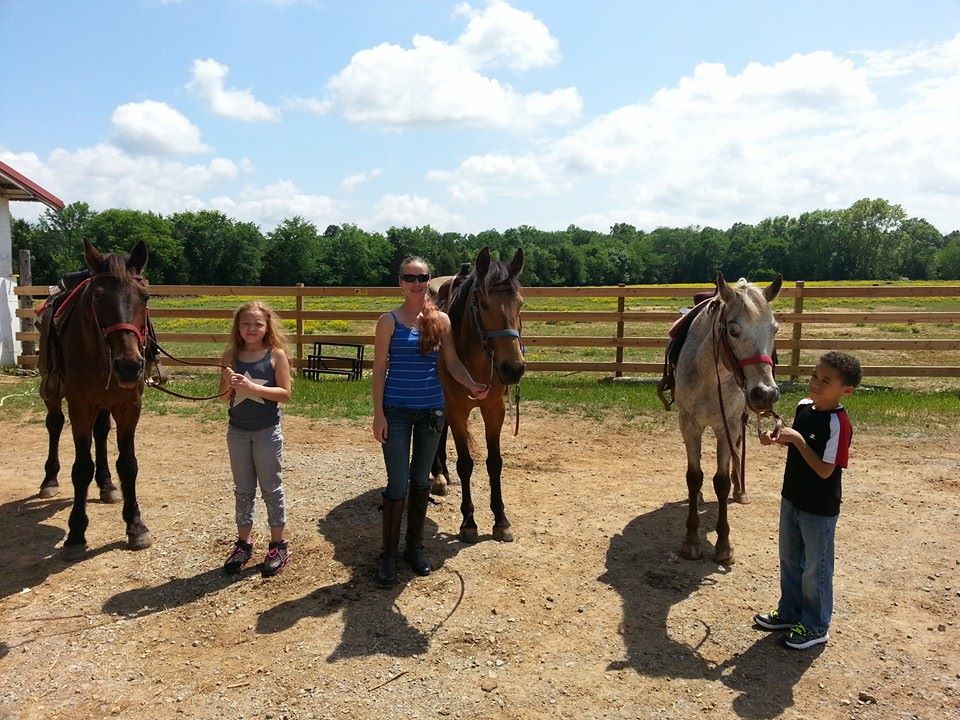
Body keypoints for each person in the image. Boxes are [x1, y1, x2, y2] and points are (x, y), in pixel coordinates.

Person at [371, 256, 489, 588]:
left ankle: (414, 547)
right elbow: (379, 370)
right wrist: (379, 413)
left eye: (421, 277)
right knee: (397, 485)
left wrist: (472, 385)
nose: (416, 282)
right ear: (400, 282)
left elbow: (451, 362)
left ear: (428, 280)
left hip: (432, 413)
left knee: (421, 482)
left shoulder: (442, 322)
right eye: (409, 277)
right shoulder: (388, 321)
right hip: (396, 411)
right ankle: (389, 554)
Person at [754, 351, 862, 649]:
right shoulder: (803, 407)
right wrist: (777, 438)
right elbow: (795, 445)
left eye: (826, 380)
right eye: (815, 376)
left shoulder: (838, 424)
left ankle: (815, 626)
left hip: (819, 508)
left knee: (816, 567)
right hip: (792, 498)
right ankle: (790, 612)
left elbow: (825, 470)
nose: (815, 383)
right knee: (789, 559)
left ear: (846, 390)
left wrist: (798, 440)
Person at [218, 301, 293, 577]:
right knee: (243, 489)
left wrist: (250, 387)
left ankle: (278, 544)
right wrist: (229, 384)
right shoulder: (230, 356)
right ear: (238, 326)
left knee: (271, 489)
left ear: (267, 327)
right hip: (237, 432)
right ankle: (243, 544)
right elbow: (224, 396)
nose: (252, 328)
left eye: (257, 324)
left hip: (266, 432)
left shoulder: (276, 355)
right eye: (246, 323)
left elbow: (285, 393)